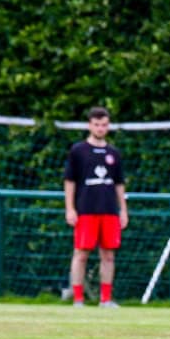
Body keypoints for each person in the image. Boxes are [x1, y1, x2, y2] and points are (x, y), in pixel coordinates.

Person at [64, 106, 129, 308]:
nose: (101, 128)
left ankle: (105, 299)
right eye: (97, 124)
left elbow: (119, 184)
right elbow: (69, 181)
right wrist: (70, 208)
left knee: (108, 255)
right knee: (81, 254)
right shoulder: (78, 151)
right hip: (85, 210)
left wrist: (123, 210)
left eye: (104, 125)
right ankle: (78, 299)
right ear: (89, 125)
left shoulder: (113, 153)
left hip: (109, 211)